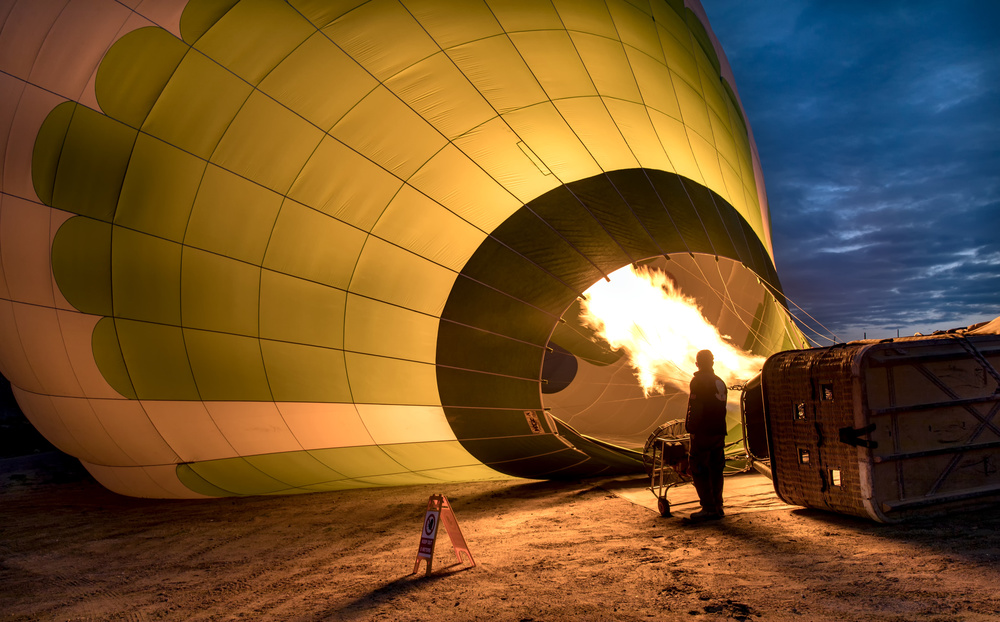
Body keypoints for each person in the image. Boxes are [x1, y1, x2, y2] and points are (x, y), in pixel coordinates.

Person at [685, 349, 728, 522]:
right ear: (712, 362)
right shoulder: (720, 381)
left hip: (703, 432)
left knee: (699, 468)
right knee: (716, 469)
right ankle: (718, 506)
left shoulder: (698, 381)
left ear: (697, 364)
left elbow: (696, 408)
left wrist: (691, 428)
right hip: (719, 431)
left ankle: (708, 508)